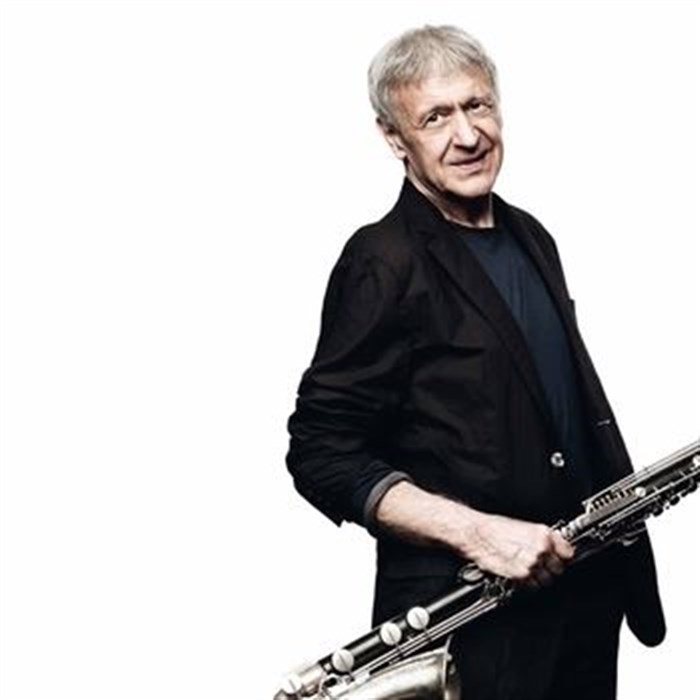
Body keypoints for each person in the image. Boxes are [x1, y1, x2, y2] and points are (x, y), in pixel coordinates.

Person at [285, 25, 665, 700]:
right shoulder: (381, 260)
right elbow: (320, 452)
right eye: (435, 117)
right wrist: (480, 535)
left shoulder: (531, 235)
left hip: (582, 604)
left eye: (477, 105)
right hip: (472, 626)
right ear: (394, 138)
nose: (467, 135)